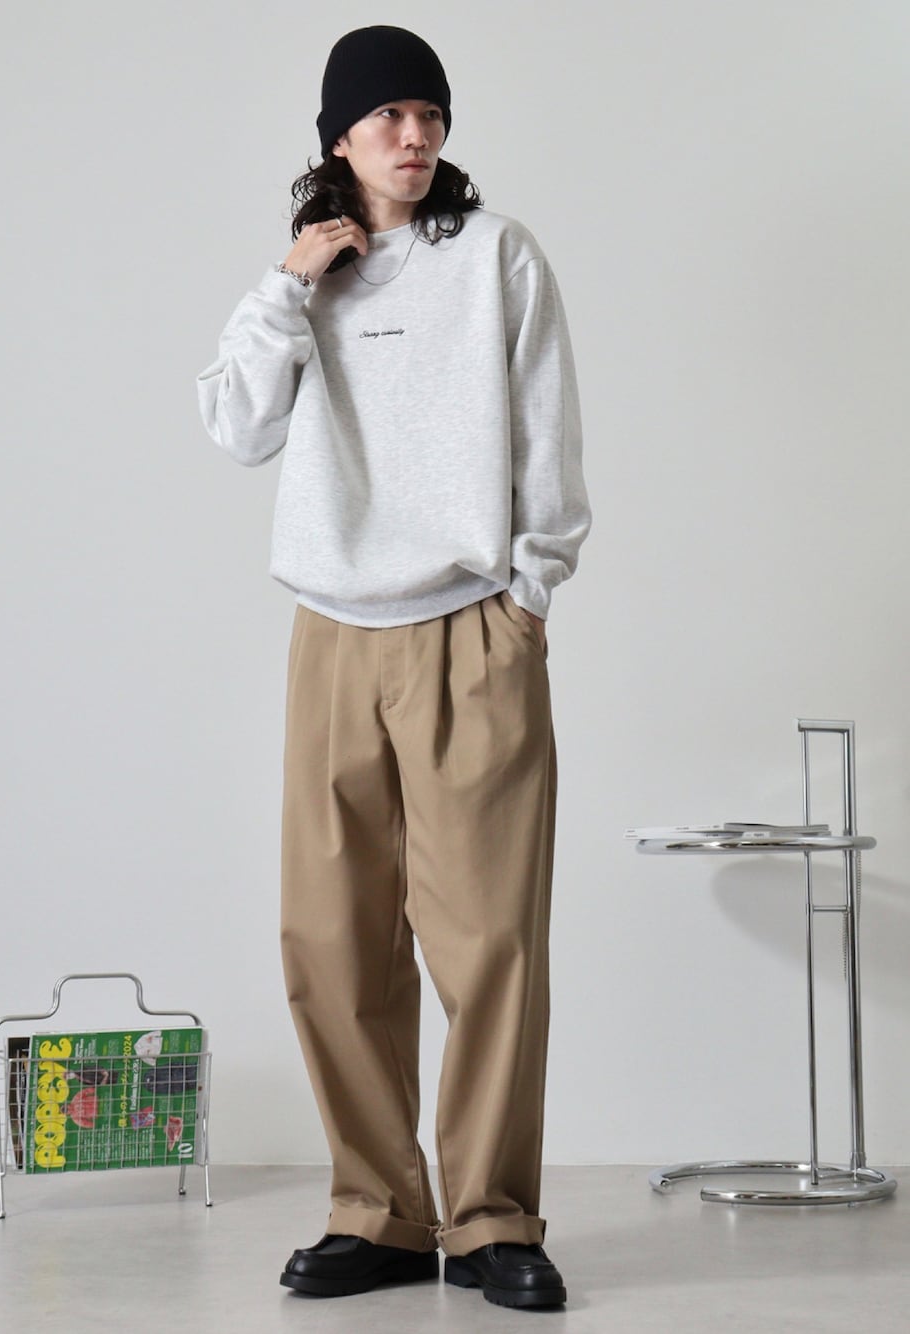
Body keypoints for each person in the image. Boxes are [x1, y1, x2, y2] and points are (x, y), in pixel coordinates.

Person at [196, 24, 591, 1312]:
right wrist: (287, 282)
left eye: (430, 114)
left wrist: (529, 593)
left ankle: (490, 1219)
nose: (415, 137)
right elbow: (236, 426)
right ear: (340, 138)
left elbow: (547, 429)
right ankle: (378, 1212)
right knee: (332, 939)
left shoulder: (496, 256)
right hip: (331, 635)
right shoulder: (309, 278)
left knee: (488, 944)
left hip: (472, 624)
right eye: (387, 118)